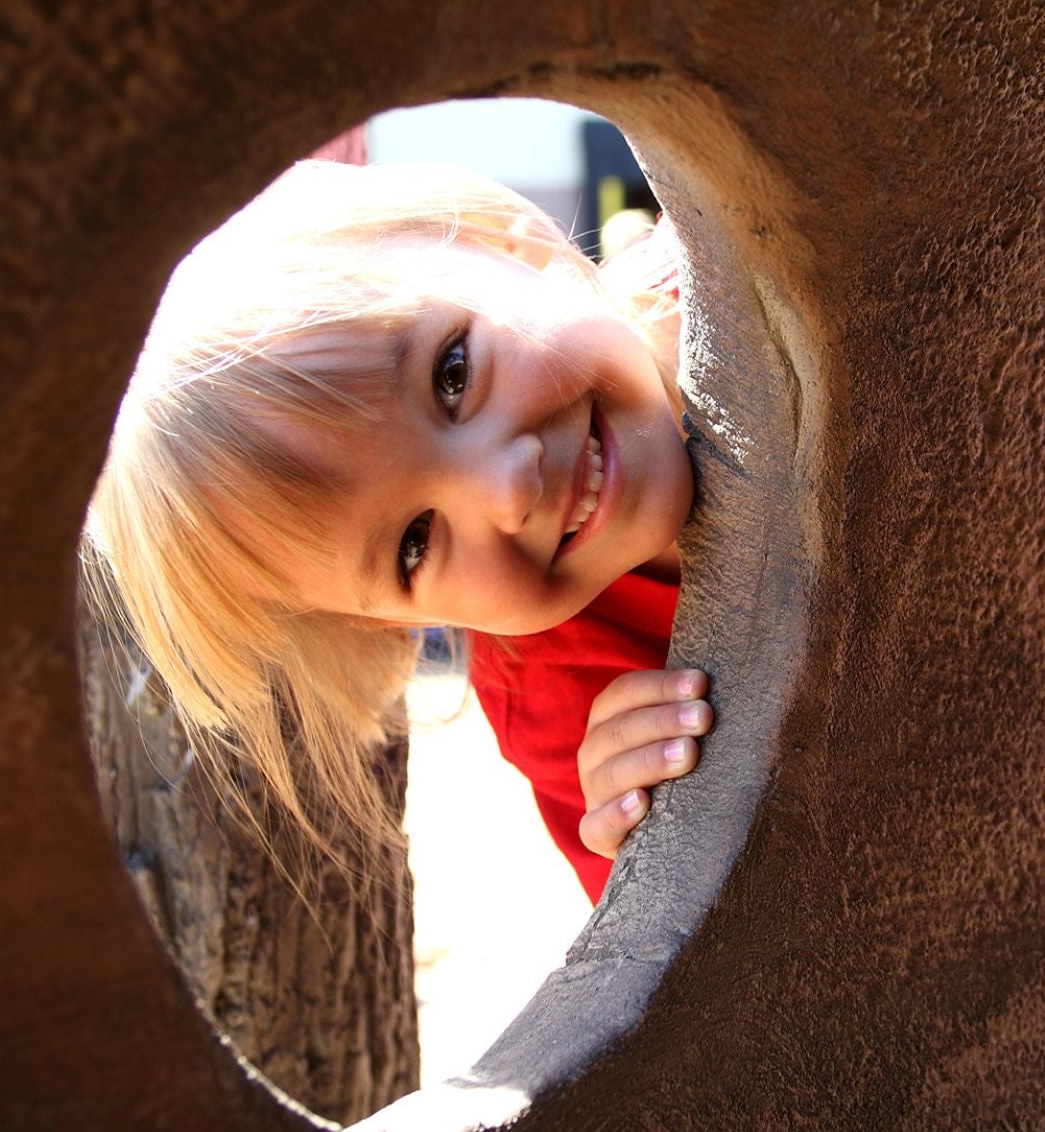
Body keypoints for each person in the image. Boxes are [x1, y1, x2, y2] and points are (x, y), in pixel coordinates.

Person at [83, 161, 710, 904]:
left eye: (453, 374)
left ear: (507, 243)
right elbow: (686, 950)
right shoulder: (554, 698)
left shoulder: (758, 261)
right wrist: (654, 842)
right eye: (414, 544)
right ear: (386, 622)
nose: (507, 492)